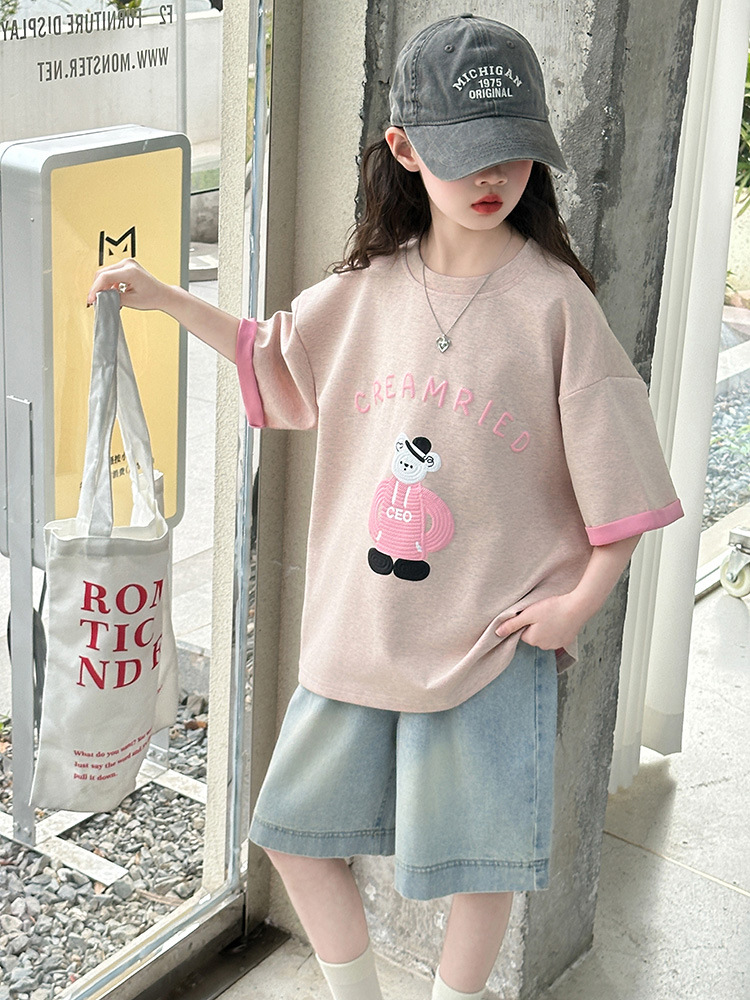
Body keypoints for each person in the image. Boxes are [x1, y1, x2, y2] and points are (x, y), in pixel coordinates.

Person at [87, 14, 683, 1000]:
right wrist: (165, 295)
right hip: (360, 630)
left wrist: (578, 604)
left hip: (490, 641)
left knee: (480, 864)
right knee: (293, 834)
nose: (493, 176)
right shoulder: (369, 289)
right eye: (465, 153)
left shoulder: (556, 306)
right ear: (405, 150)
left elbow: (622, 477)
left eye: (513, 152)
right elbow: (273, 356)